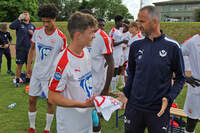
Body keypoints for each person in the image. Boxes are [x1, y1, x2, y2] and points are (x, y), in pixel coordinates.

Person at [116, 6, 186, 133]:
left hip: (158, 110)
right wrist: (126, 92)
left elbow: (181, 78)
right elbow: (132, 73)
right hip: (134, 108)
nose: (138, 25)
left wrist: (169, 98)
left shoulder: (172, 46)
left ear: (155, 21)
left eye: (142, 21)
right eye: (138, 21)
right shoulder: (136, 46)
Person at [48, 11, 97, 133]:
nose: (94, 36)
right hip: (70, 126)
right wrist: (83, 105)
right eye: (91, 32)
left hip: (86, 120)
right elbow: (52, 97)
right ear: (78, 35)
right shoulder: (62, 61)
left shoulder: (86, 52)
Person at [26, 4, 67, 133]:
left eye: (48, 21)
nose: (45, 24)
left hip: (50, 76)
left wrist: (56, 76)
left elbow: (63, 59)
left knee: (50, 102)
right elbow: (32, 49)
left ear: (54, 19)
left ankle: (47, 129)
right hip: (37, 74)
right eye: (43, 21)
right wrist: (28, 67)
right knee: (32, 99)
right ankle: (32, 127)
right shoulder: (37, 32)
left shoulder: (61, 37)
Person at [9, 11, 35, 87]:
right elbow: (11, 26)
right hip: (20, 49)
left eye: (27, 14)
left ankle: (28, 80)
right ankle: (17, 80)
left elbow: (36, 37)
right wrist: (19, 18)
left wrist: (32, 34)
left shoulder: (32, 26)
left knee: (29, 66)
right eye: (24, 15)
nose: (26, 16)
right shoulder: (19, 24)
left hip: (29, 49)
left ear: (29, 17)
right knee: (19, 65)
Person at [181, 34, 200, 133]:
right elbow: (174, 56)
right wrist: (184, 77)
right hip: (196, 87)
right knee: (191, 124)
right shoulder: (192, 42)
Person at [109, 15, 128, 92]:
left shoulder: (119, 30)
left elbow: (127, 27)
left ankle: (115, 87)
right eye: (121, 21)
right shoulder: (113, 31)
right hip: (115, 53)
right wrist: (123, 42)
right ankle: (112, 89)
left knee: (119, 70)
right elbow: (111, 43)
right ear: (117, 22)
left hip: (120, 52)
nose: (122, 23)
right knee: (114, 70)